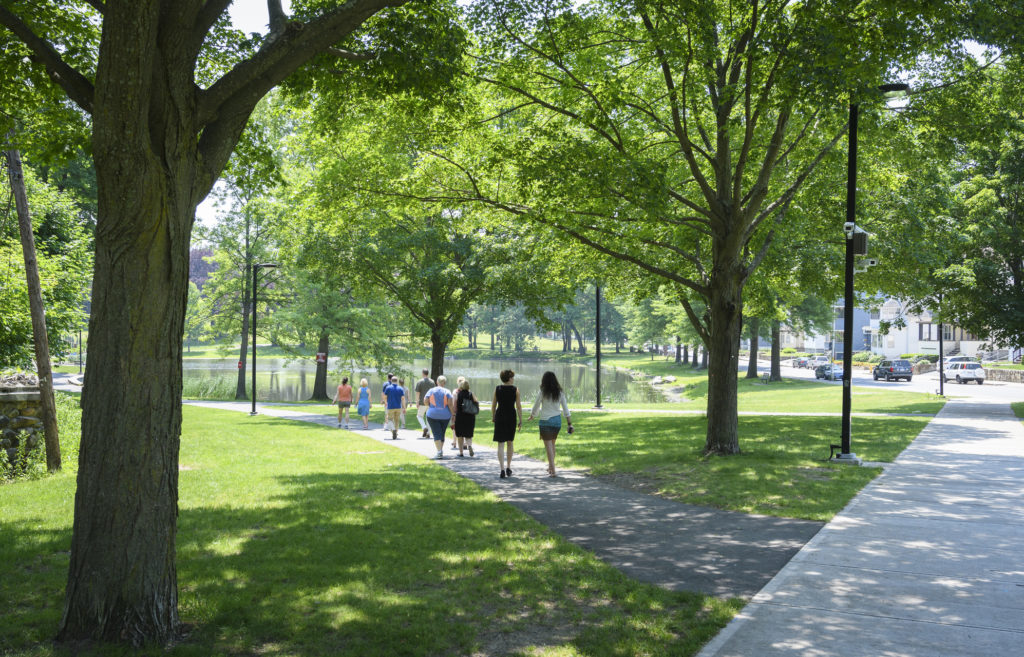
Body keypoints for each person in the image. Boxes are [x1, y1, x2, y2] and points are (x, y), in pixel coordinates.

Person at [527, 371, 573, 477]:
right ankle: (550, 466)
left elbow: (536, 404)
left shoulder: (543, 391)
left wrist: (533, 415)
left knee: (548, 447)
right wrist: (569, 423)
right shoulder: (560, 392)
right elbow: (566, 409)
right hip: (557, 421)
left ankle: (553, 469)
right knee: (552, 445)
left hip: (545, 421)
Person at [491, 369, 522, 478]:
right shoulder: (515, 390)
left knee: (500, 444)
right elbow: (518, 406)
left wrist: (493, 416)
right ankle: (508, 467)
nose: (513, 379)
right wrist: (520, 419)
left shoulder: (497, 389)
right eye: (512, 377)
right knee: (510, 442)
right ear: (509, 378)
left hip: (500, 416)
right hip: (511, 417)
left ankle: (502, 469)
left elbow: (494, 405)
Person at [424, 375, 456, 459]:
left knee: (436, 433)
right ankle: (440, 450)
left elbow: (425, 401)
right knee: (442, 432)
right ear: (444, 383)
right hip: (445, 415)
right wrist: (453, 414)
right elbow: (450, 404)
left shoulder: (431, 391)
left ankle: (439, 451)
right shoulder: (447, 391)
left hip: (432, 415)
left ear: (436, 382)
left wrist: (430, 405)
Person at [453, 376, 479, 458]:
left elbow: (455, 407)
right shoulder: (471, 394)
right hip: (470, 417)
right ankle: (469, 446)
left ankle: (461, 452)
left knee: (460, 435)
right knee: (468, 434)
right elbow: (476, 402)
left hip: (460, 416)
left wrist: (454, 415)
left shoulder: (458, 394)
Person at [414, 369, 434, 438]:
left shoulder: (420, 382)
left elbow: (417, 393)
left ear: (423, 373)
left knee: (419, 416)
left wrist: (417, 402)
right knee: (428, 418)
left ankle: (424, 427)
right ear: (427, 373)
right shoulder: (432, 382)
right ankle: (428, 433)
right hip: (430, 403)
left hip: (422, 402)